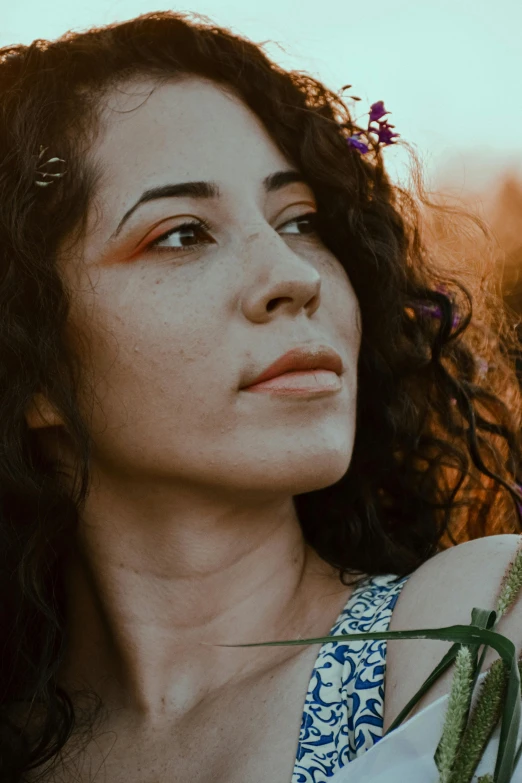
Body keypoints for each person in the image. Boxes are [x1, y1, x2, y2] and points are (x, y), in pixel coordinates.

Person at [0, 11, 521, 783]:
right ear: (29, 366)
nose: (295, 275)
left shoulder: (469, 635)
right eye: (181, 234)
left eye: (301, 221)